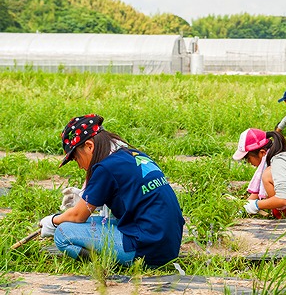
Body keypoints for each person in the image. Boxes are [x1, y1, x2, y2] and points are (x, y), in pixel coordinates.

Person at [39, 114, 185, 267]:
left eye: (76, 158)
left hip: (148, 250)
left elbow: (78, 216)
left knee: (63, 233)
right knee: (86, 223)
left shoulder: (106, 168)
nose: (80, 166)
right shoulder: (131, 155)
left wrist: (53, 221)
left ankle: (107, 264)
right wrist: (84, 198)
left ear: (89, 146)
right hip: (167, 243)